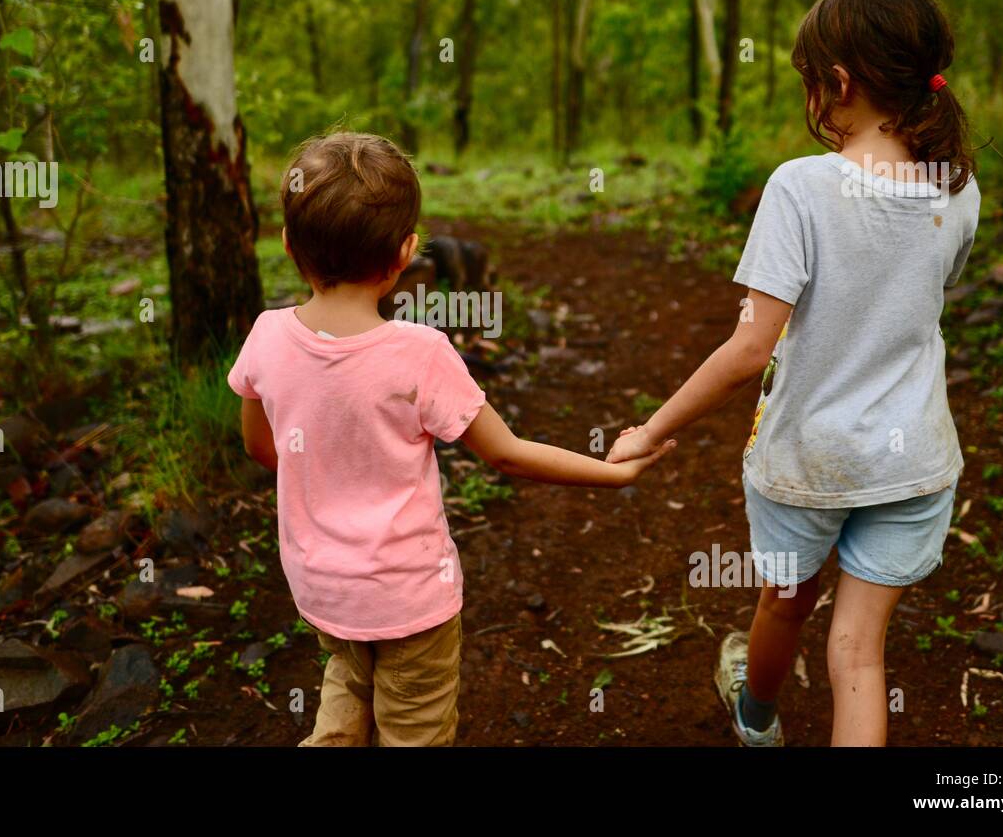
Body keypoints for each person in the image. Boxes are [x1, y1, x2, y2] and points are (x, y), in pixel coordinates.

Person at [608, 0, 980, 747]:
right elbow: (927, 290)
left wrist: (650, 427)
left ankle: (757, 718)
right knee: (858, 652)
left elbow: (750, 347)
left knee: (785, 597)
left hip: (809, 461)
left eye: (812, 83)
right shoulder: (959, 185)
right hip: (912, 463)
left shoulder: (801, 188)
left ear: (838, 83)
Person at [227, 131, 673, 746]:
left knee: (346, 687)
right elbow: (508, 454)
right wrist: (614, 471)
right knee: (413, 730)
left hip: (323, 588)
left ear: (287, 246)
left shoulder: (266, 337)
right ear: (405, 254)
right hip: (409, 600)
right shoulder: (420, 354)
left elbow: (261, 448)